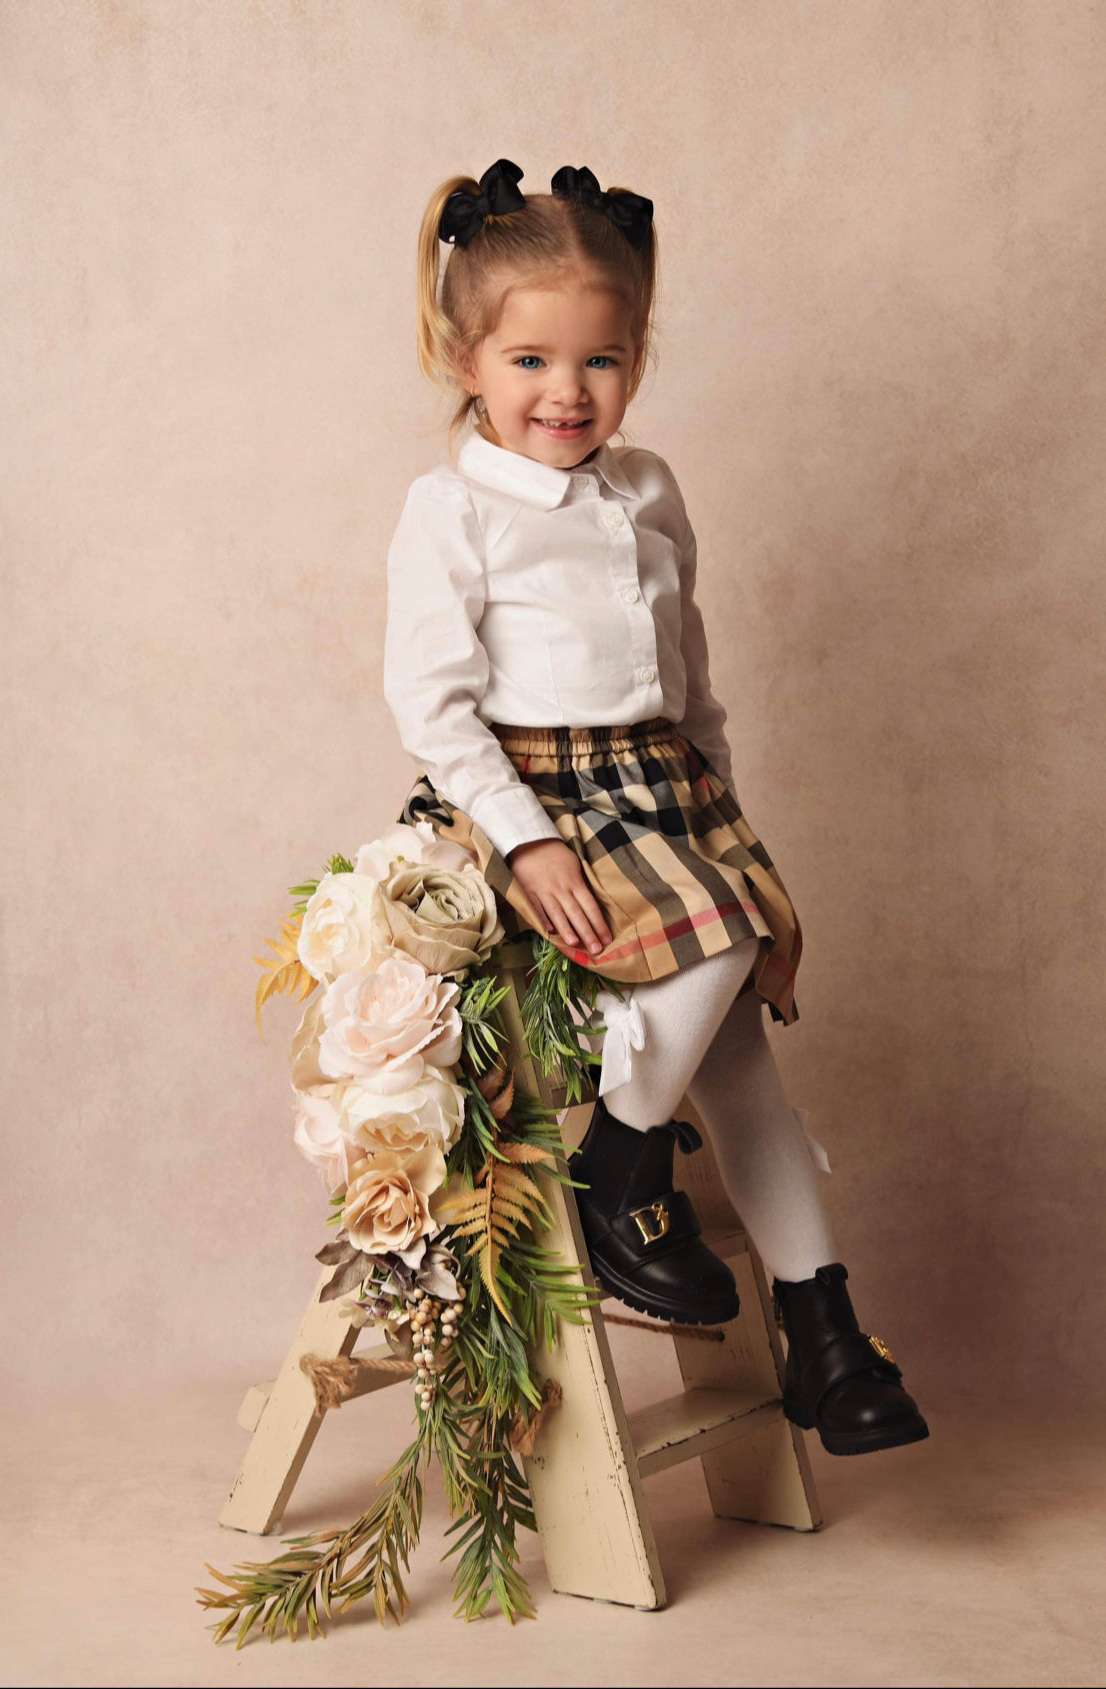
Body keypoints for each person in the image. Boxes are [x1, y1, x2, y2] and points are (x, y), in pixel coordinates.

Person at [383, 158, 928, 1457]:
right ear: (460, 357)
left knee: (748, 1068)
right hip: (534, 799)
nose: (566, 392)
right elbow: (434, 706)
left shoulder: (646, 490)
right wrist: (523, 841)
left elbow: (686, 679)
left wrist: (719, 802)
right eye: (528, 360)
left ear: (635, 357)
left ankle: (824, 1326)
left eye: (602, 360)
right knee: (732, 930)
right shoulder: (452, 510)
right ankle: (614, 1173)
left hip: (660, 789)